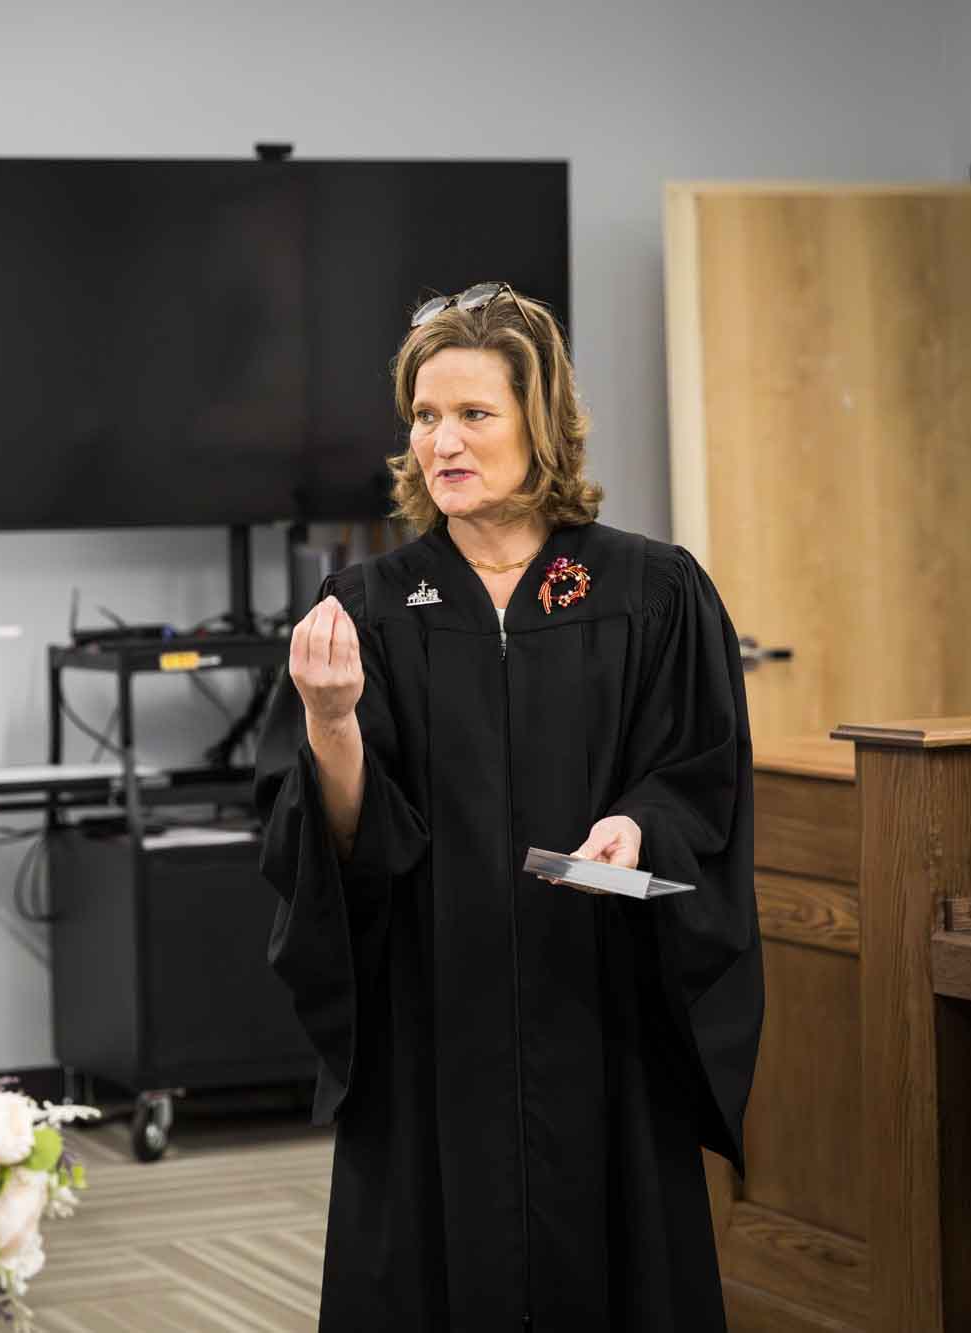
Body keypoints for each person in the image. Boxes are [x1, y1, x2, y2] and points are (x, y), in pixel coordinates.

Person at [255, 282, 763, 1331]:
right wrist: (331, 723)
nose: (442, 441)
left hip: (600, 1010)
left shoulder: (650, 591)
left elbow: (698, 773)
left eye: (473, 414)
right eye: (424, 416)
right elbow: (343, 842)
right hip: (433, 1023)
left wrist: (639, 826)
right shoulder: (366, 610)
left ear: (542, 423)